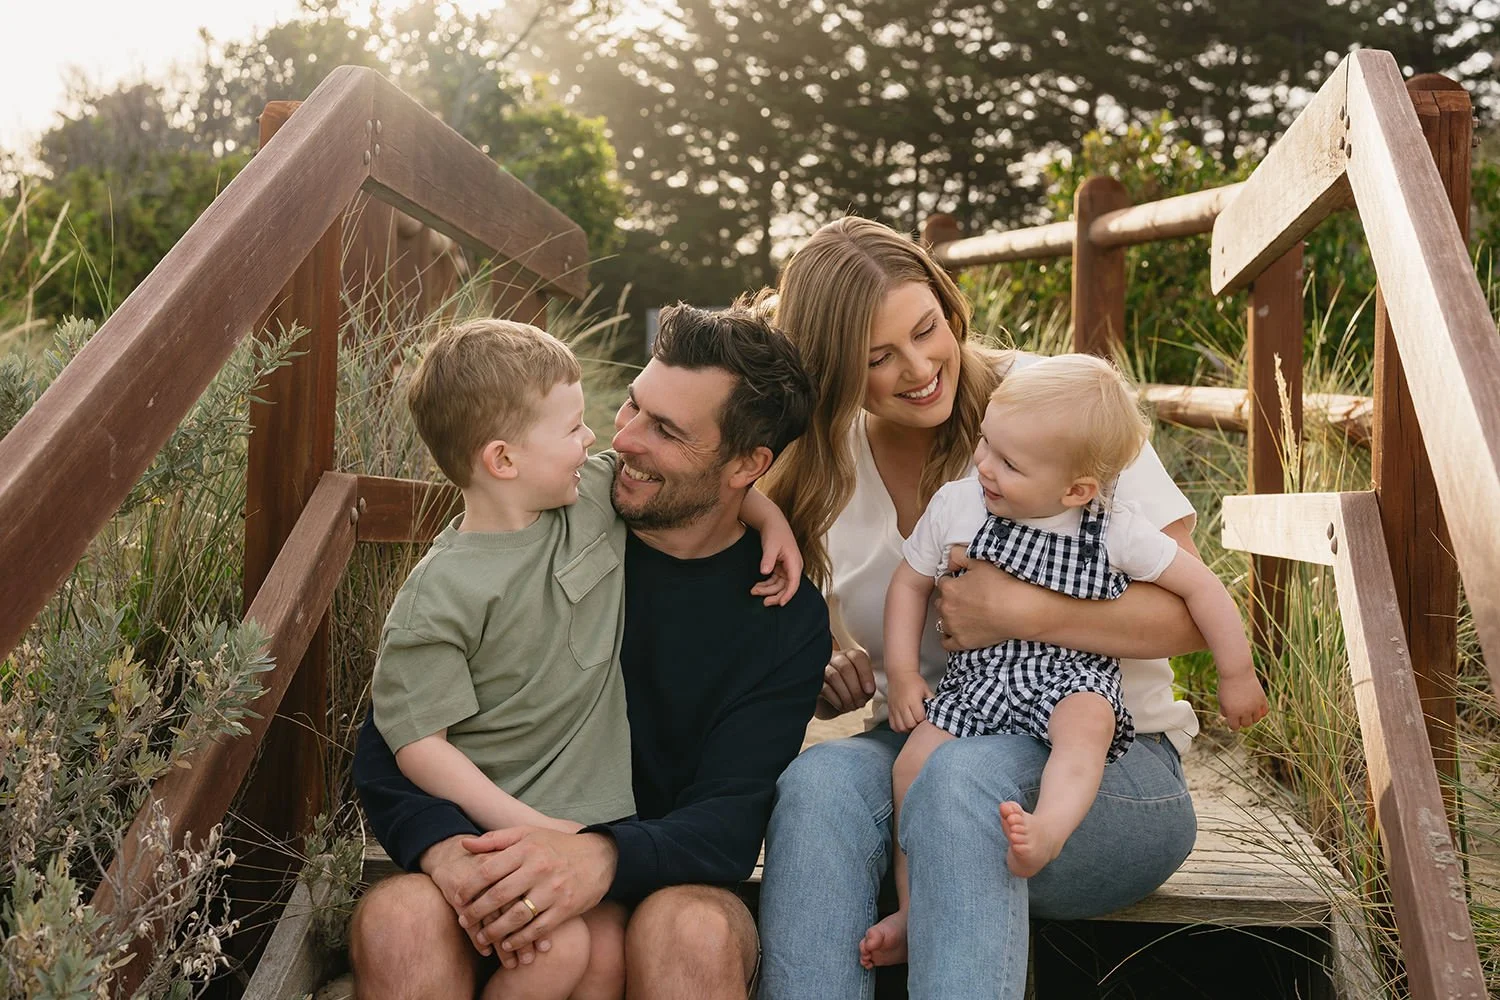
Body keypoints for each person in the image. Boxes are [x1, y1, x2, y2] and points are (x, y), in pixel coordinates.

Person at [756, 217, 1223, 1000]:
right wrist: (825, 673)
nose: (918, 368)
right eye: (878, 358)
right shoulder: (822, 465)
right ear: (833, 370)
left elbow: (1191, 616)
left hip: (1110, 763)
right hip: (926, 737)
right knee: (817, 787)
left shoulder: (1058, 403)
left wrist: (1023, 611)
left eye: (926, 329)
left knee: (962, 784)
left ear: (947, 303)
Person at [350, 305, 829, 1000]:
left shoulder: (783, 618)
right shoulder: (549, 515)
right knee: (401, 917)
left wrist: (595, 857)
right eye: (634, 405)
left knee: (689, 930)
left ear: (747, 465)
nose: (623, 437)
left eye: (665, 430)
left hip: (658, 876)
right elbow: (397, 733)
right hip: (495, 853)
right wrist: (454, 855)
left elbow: (729, 819)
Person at [863, 352, 1269, 968]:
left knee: (1087, 727)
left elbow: (1202, 588)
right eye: (985, 445)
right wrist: (903, 675)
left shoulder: (1113, 527)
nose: (985, 467)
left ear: (1076, 489)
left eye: (1010, 463)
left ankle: (1048, 829)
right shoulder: (959, 504)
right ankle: (913, 906)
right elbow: (908, 584)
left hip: (1072, 676)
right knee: (911, 767)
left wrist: (1237, 674)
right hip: (980, 681)